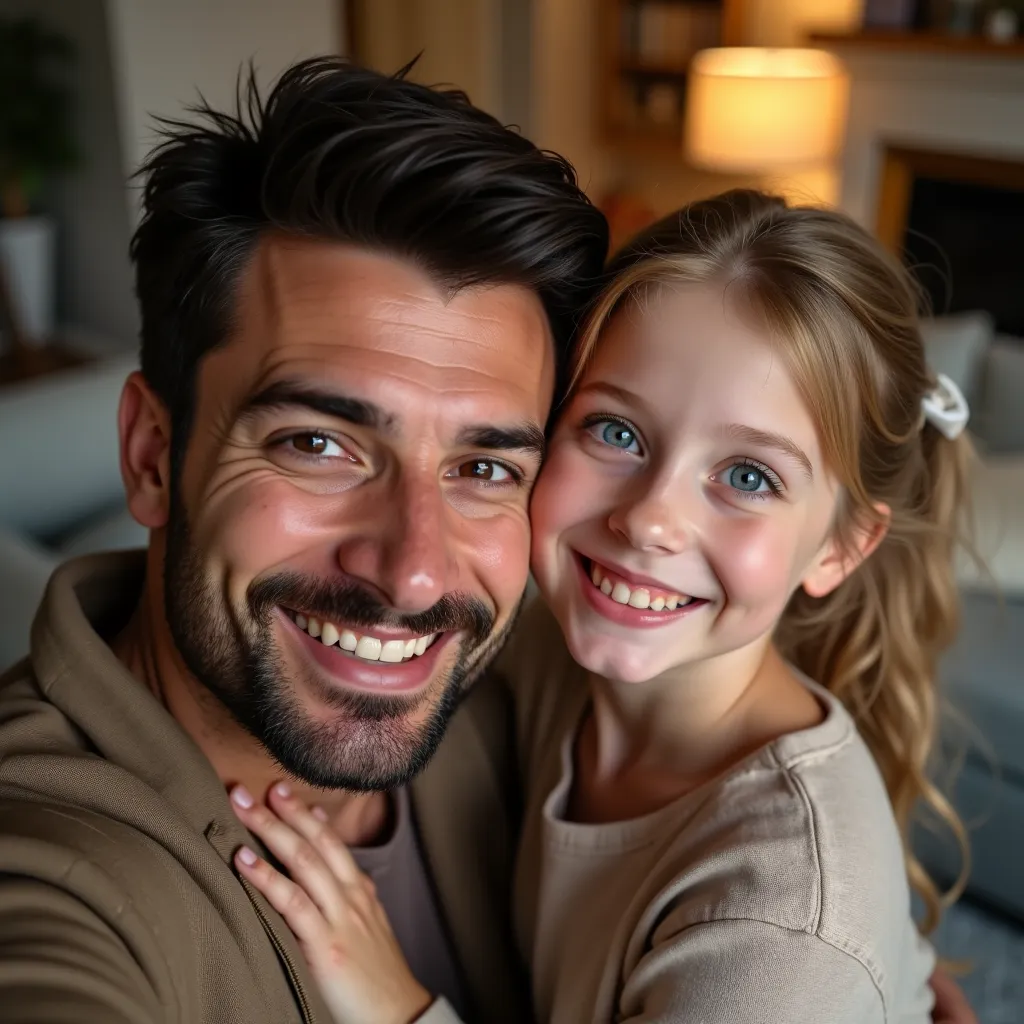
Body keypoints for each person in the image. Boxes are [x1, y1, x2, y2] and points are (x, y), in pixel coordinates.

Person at [231, 191, 980, 1024]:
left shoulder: (780, 934)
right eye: (617, 432)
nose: (651, 519)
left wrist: (397, 1007)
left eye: (748, 477)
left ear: (841, 547)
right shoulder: (546, 646)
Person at [0, 57, 607, 1024]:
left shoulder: (544, 693)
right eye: (319, 445)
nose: (412, 573)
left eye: (484, 469)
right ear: (154, 456)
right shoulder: (53, 869)